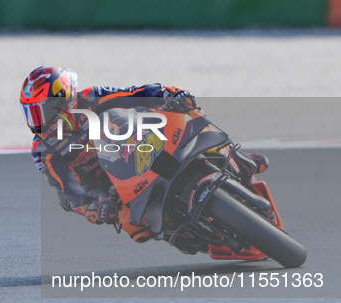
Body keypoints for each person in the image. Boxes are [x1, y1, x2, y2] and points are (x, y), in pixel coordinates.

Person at [19, 66, 267, 244]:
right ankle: (188, 233)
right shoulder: (43, 149)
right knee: (135, 227)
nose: (39, 121)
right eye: (32, 113)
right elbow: (66, 190)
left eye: (44, 110)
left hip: (132, 143)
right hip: (104, 184)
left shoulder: (90, 98)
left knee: (188, 110)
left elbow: (136, 94)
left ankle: (234, 157)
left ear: (65, 98)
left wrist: (171, 94)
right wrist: (91, 208)